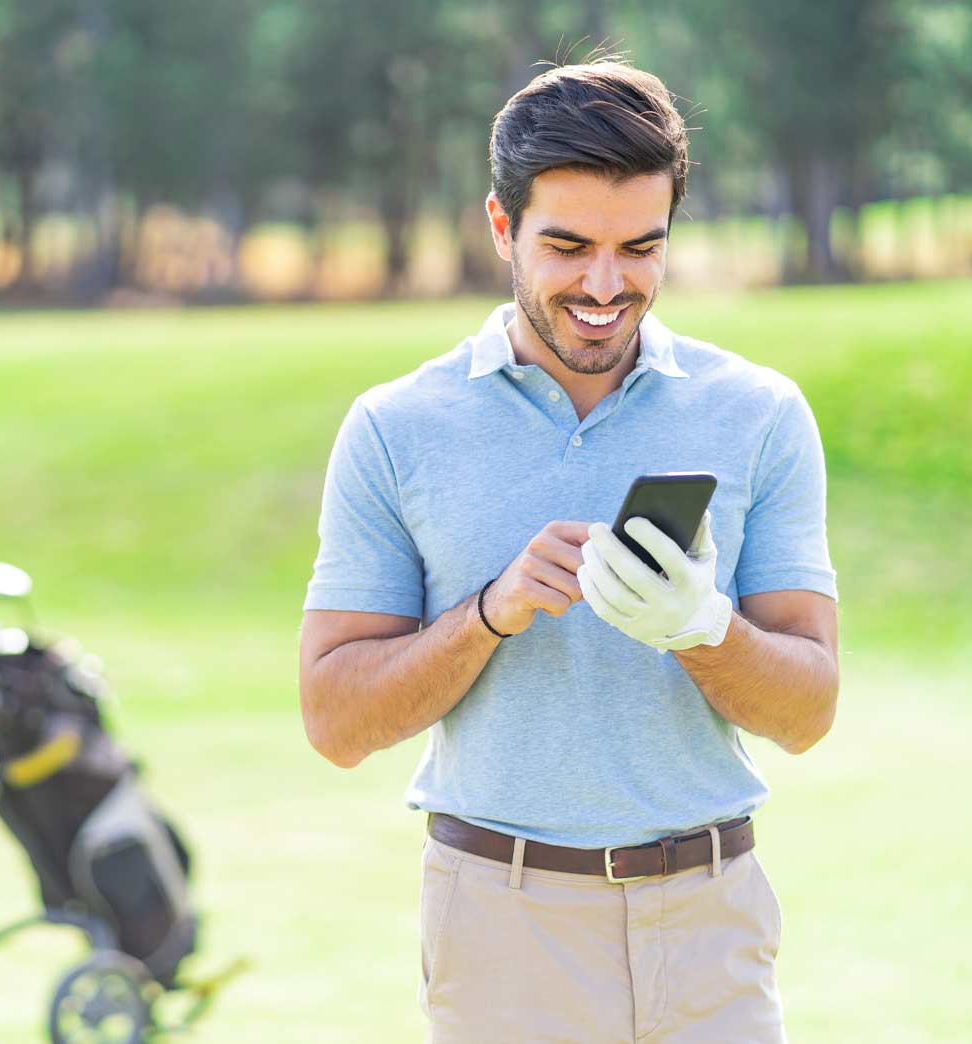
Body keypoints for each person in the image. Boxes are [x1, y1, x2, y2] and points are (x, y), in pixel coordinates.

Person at [298, 57, 839, 1043]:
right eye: (568, 246)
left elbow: (807, 712)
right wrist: (488, 615)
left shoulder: (758, 414)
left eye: (640, 247)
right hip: (502, 927)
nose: (605, 284)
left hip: (710, 920)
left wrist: (700, 626)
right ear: (501, 228)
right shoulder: (394, 428)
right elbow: (334, 722)